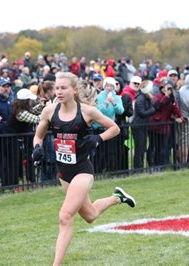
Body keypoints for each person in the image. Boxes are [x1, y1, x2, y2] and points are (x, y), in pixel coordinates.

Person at [31, 72, 135, 266]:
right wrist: (37, 148)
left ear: (74, 90)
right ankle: (117, 197)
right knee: (90, 215)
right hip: (64, 172)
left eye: (63, 88)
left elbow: (114, 128)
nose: (59, 91)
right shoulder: (49, 111)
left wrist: (98, 138)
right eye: (57, 88)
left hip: (82, 170)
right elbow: (38, 136)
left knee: (65, 216)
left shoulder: (87, 112)